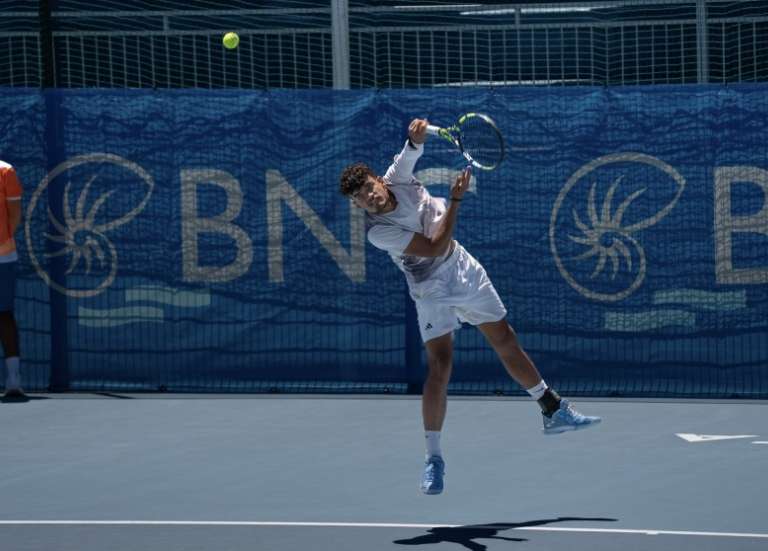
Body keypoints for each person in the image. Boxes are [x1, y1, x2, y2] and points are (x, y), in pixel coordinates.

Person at [339, 119, 601, 495]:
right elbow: (434, 247)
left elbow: (412, 145)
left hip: (463, 269)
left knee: (505, 338)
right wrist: (456, 201)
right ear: (357, 205)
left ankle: (551, 407)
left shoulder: (398, 177)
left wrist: (418, 133)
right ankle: (433, 459)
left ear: (378, 181)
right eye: (360, 198)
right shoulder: (379, 232)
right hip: (430, 288)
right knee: (440, 365)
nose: (369, 197)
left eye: (368, 188)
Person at [0, 160, 24, 398]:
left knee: (3, 313)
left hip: (3, 257)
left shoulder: (5, 171)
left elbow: (14, 214)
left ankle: (13, 379)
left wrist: (3, 240)